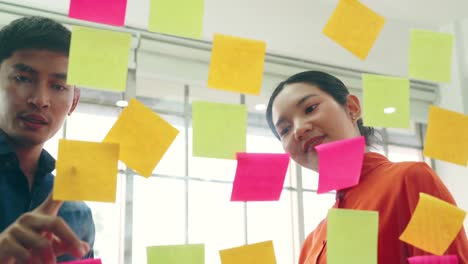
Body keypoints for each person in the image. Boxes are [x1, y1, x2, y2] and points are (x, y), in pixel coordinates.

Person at [266, 71, 468, 263]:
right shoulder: (312, 243)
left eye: (310, 108)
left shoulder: (414, 179)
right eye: (285, 129)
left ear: (352, 108)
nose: (299, 129)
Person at [0, 16, 95, 263]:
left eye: (59, 86)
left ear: (74, 101)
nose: (40, 99)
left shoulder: (76, 212)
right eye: (22, 78)